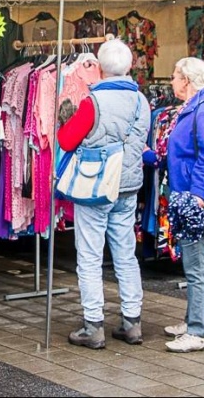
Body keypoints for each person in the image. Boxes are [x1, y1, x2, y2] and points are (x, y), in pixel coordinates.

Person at [57, 39, 151, 349]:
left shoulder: (92, 102)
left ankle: (93, 325)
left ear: (98, 68)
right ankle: (132, 322)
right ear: (130, 66)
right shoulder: (141, 102)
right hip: (128, 186)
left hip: (96, 186)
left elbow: (67, 141)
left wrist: (64, 119)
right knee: (125, 254)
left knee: (89, 256)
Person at [163, 57, 204, 353]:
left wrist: (198, 196)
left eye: (174, 76)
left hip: (195, 198)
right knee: (193, 262)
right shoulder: (195, 108)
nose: (171, 82)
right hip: (188, 195)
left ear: (186, 80)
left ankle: (201, 331)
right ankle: (193, 321)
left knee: (199, 264)